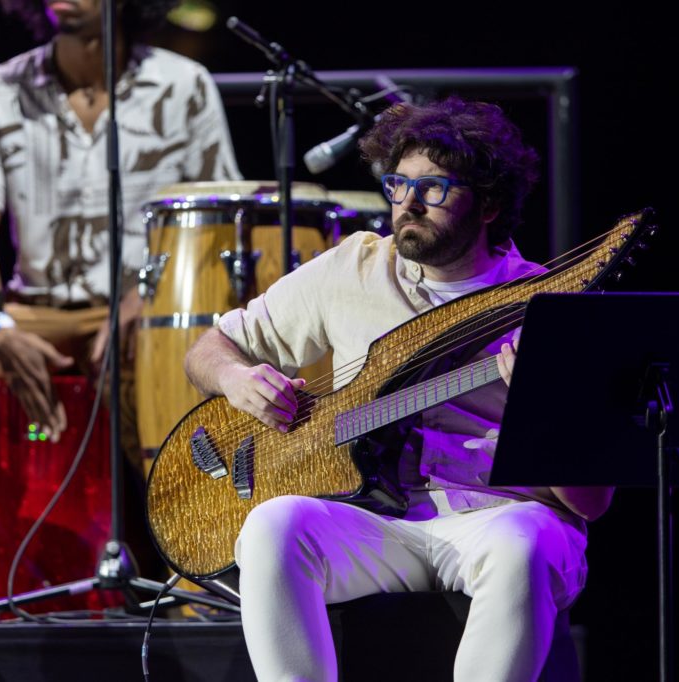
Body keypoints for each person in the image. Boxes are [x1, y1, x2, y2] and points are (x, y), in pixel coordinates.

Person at [182, 96, 613, 680]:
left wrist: (543, 407)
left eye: (433, 189)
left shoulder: (551, 307)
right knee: (273, 525)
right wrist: (236, 378)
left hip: (500, 518)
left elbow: (592, 503)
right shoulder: (353, 267)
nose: (407, 205)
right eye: (397, 185)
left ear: (487, 205)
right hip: (378, 522)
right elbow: (209, 349)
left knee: (525, 543)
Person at [0, 0, 241, 602]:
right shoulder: (0, 89)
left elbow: (212, 227)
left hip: (144, 311)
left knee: (182, 399)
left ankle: (193, 572)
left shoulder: (182, 85)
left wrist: (142, 301)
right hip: (26, 311)